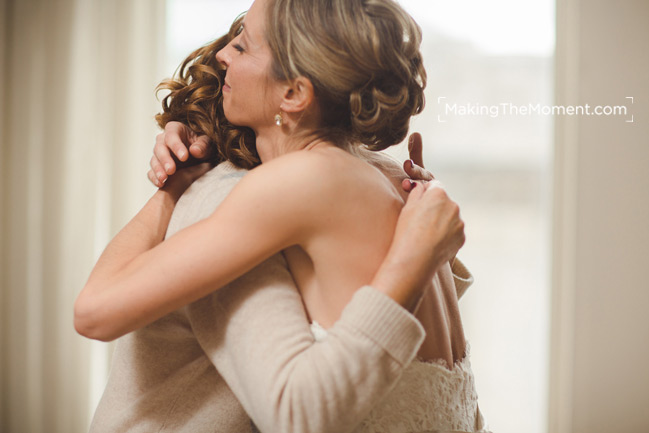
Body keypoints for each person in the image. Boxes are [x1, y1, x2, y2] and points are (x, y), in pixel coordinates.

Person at [75, 0, 488, 431]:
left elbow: (94, 311)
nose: (221, 55)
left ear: (293, 93)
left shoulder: (300, 179)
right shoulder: (391, 177)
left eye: (243, 46)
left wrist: (175, 191)